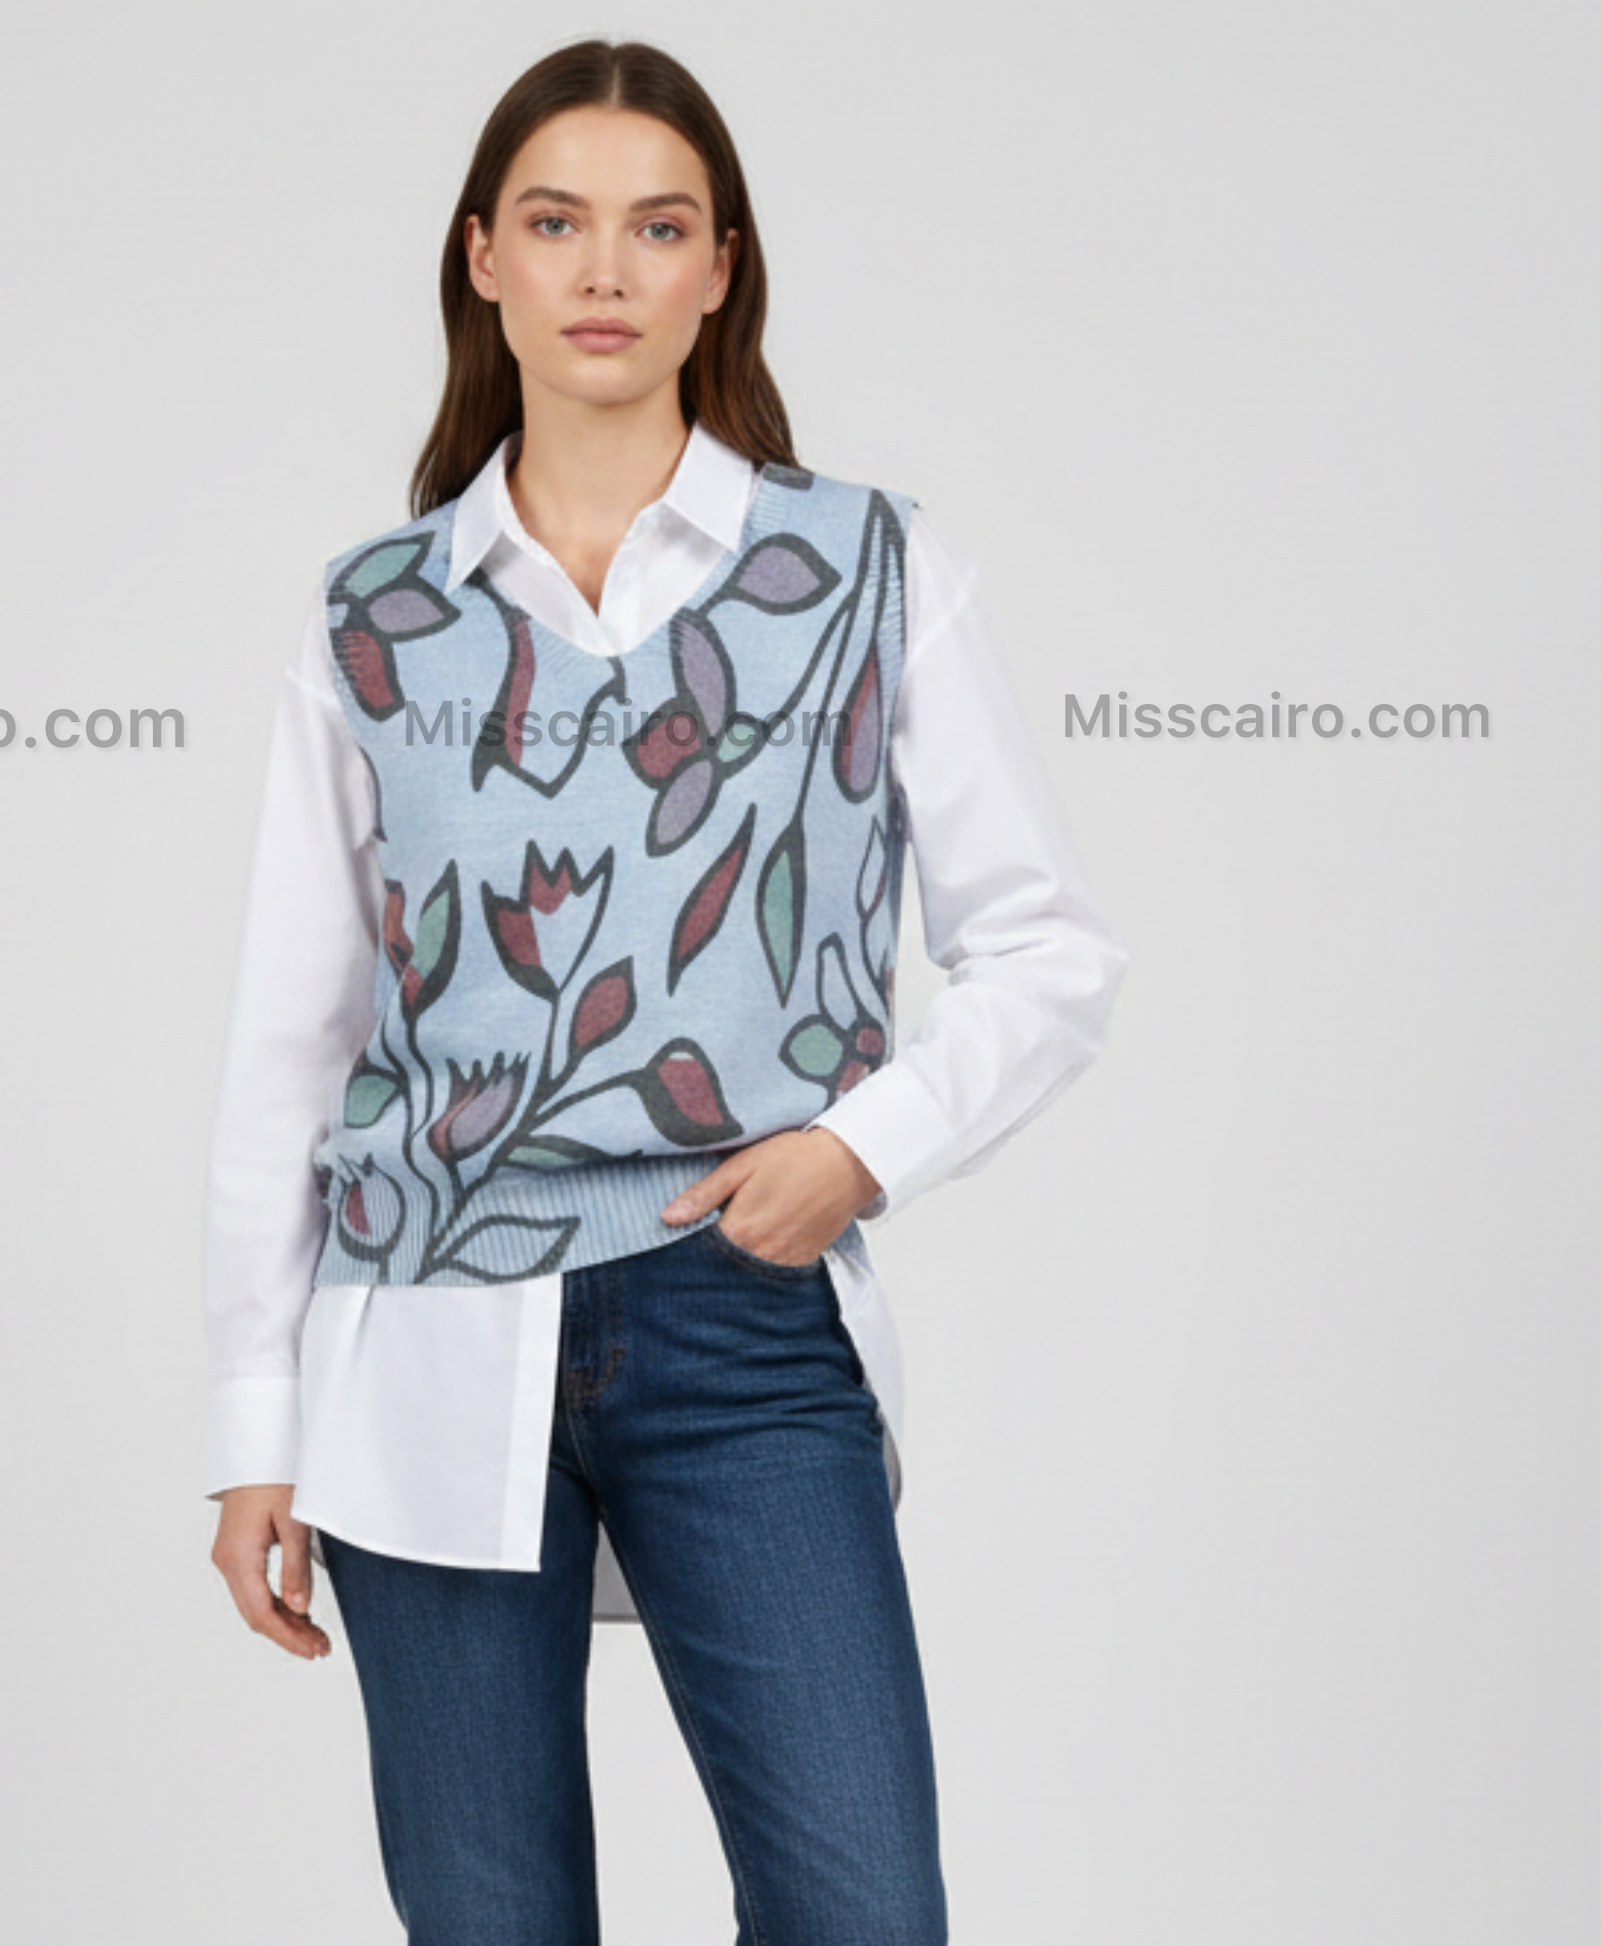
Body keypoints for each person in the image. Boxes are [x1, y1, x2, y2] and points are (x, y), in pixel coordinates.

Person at [201, 37, 1129, 1946]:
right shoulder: (374, 615)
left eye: (655, 226)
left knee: (861, 1910)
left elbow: (1048, 948)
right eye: (555, 224)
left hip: (737, 1309)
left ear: (721, 266)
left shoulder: (867, 569)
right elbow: (293, 1043)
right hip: (424, 1323)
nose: (604, 271)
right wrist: (252, 1426)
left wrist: (858, 1150)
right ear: (482, 259)